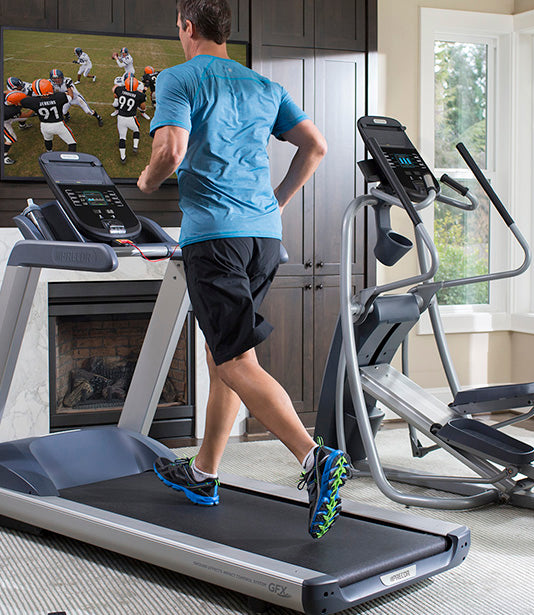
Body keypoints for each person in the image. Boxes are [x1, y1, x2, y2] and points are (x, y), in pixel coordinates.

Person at [137, 0, 347, 540]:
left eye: (179, 26)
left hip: (214, 237)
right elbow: (316, 146)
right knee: (228, 357)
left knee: (232, 358)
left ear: (186, 27)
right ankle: (204, 473)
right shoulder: (263, 85)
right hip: (264, 238)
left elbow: (170, 149)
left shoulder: (180, 78)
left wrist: (146, 181)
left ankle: (314, 458)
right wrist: (277, 202)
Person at [19, 79, 77, 152]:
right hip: (59, 124)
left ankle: (49, 152)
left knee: (48, 140)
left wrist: (30, 92)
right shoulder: (59, 96)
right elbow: (71, 96)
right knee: (72, 143)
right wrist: (68, 86)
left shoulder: (33, 101)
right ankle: (71, 158)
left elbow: (23, 101)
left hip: (45, 126)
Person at [111, 76, 149, 163]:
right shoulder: (140, 95)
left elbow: (114, 91)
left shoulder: (119, 90)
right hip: (131, 117)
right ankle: (135, 146)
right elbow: (143, 107)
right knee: (136, 130)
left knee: (122, 138)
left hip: (121, 117)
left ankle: (123, 157)